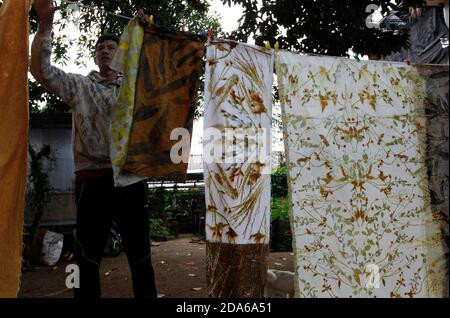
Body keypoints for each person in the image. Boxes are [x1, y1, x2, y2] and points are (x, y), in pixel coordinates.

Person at [30, 0, 157, 299]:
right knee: (86, 257)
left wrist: (149, 38)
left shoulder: (136, 87)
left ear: (122, 54)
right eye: (100, 48)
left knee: (141, 256)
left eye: (112, 47)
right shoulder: (80, 87)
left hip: (131, 176)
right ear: (95, 57)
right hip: (92, 179)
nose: (105, 51)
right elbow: (40, 69)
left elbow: (166, 83)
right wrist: (46, 22)